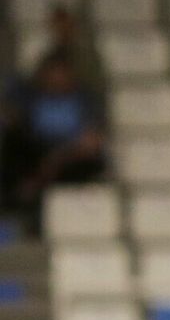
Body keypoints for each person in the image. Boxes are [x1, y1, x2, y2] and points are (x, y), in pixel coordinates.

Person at [0, 54, 107, 225]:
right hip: (36, 153)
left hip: (69, 159)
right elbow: (14, 122)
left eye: (62, 73)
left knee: (88, 164)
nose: (57, 78)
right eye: (52, 73)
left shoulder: (86, 101)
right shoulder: (30, 98)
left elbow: (91, 141)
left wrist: (55, 160)